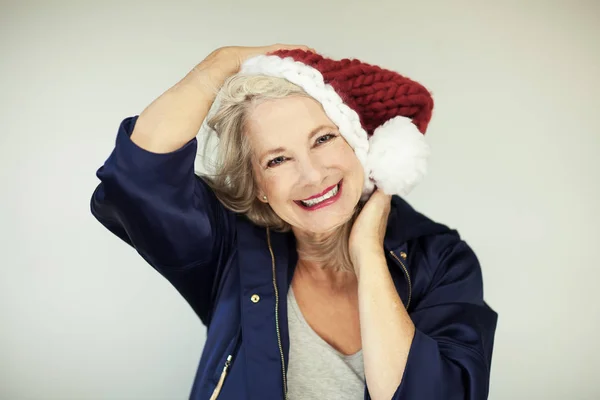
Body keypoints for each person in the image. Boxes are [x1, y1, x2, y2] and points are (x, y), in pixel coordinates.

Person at [90, 44, 498, 400]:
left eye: (323, 139)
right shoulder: (230, 247)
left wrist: (368, 253)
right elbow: (138, 176)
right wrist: (223, 61)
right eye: (278, 159)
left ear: (362, 147)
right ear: (260, 185)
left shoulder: (442, 260)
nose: (312, 175)